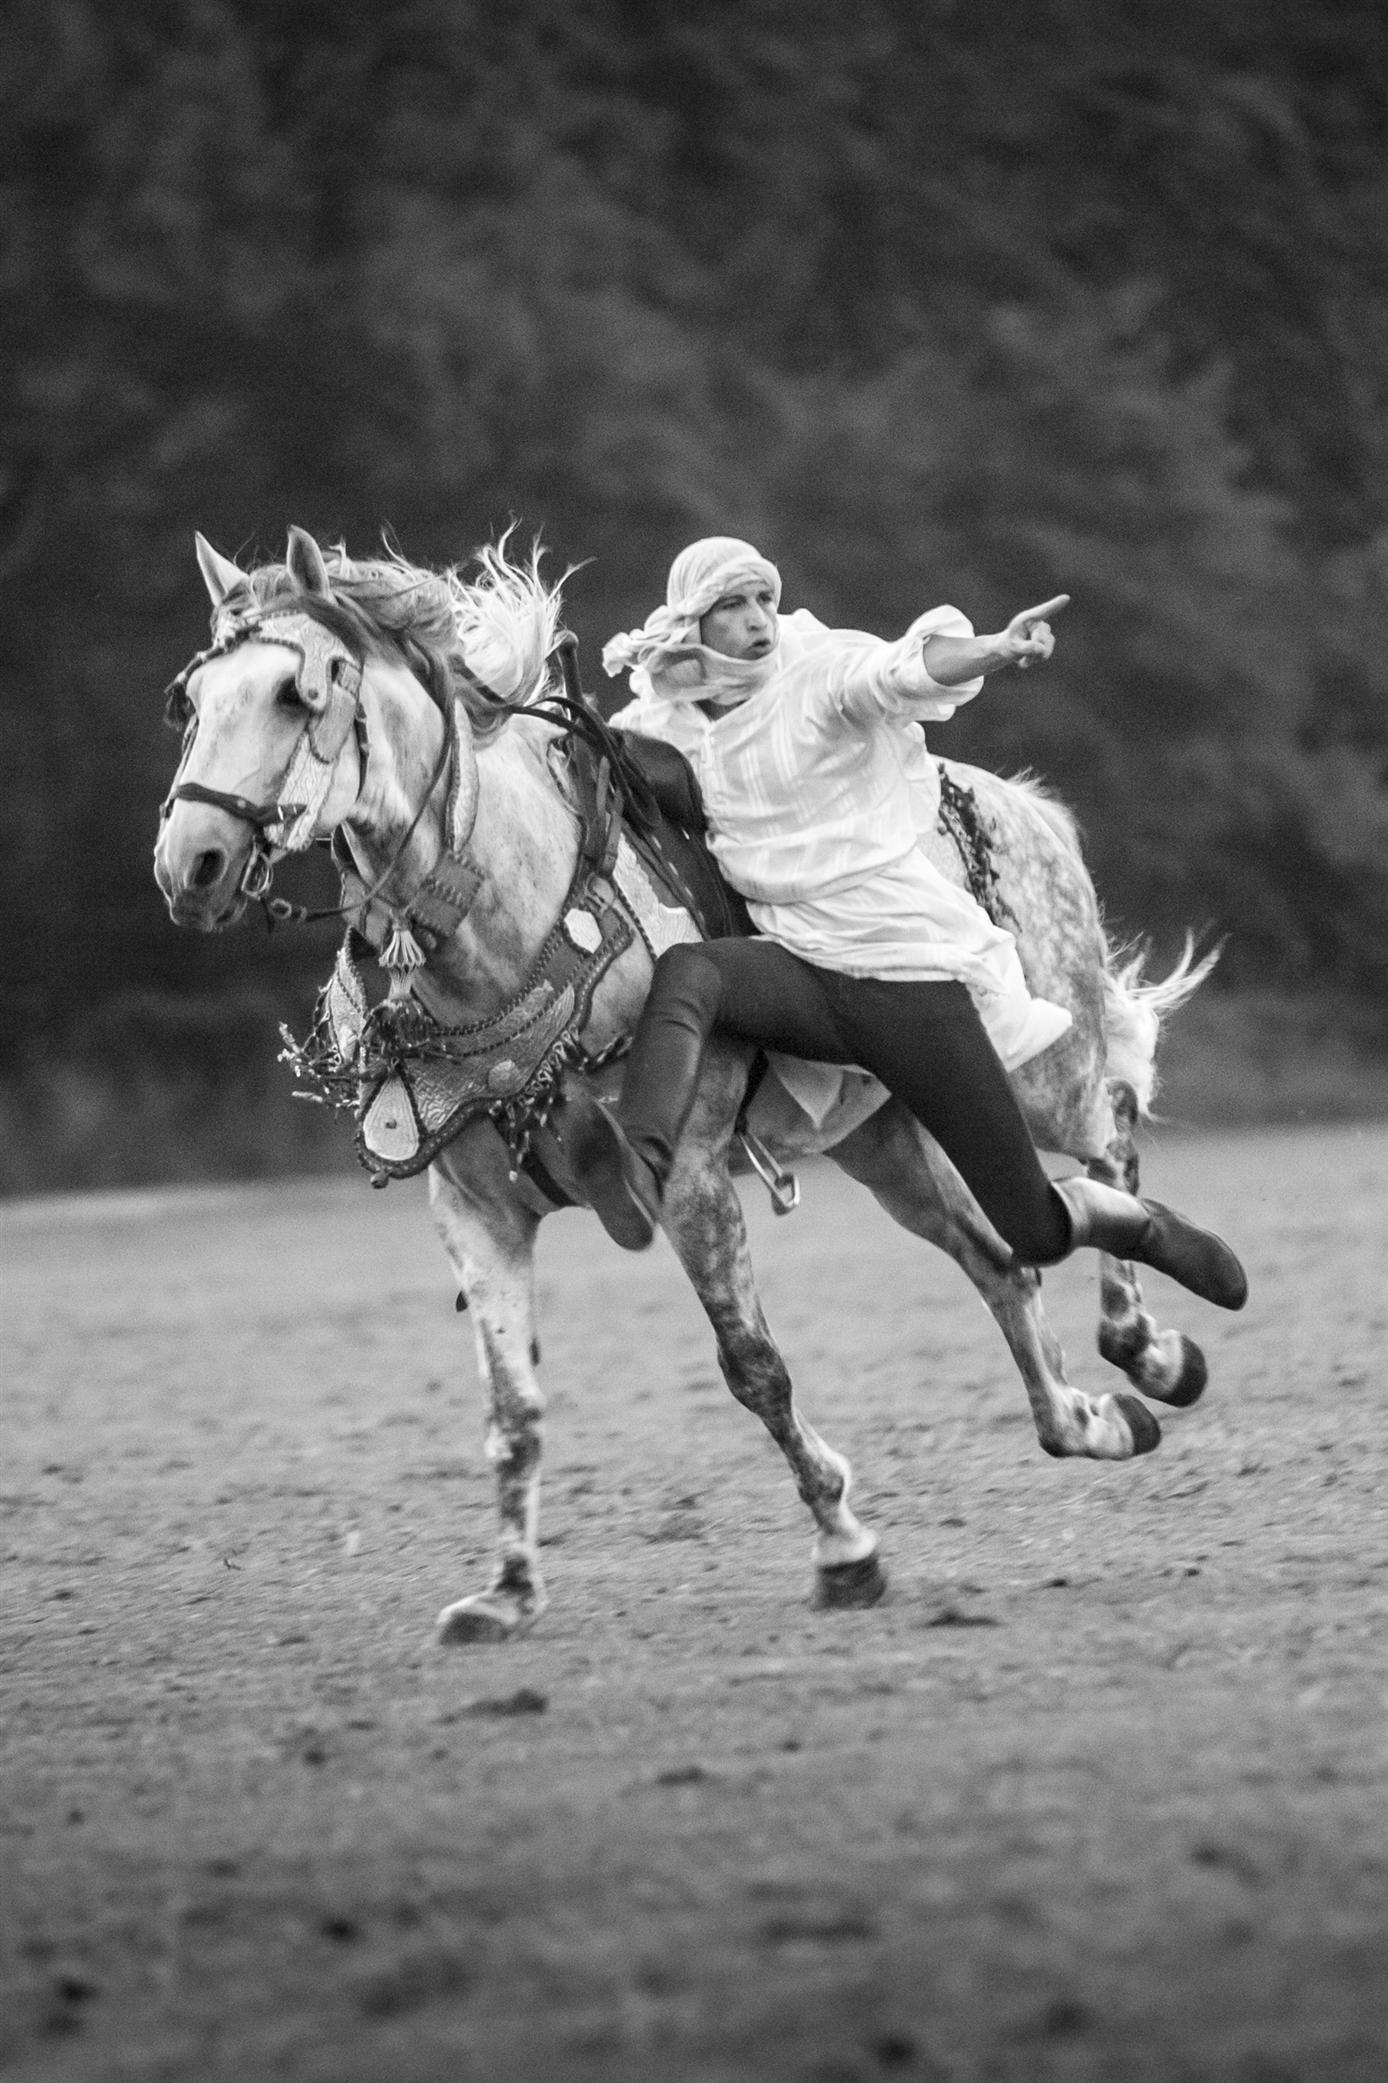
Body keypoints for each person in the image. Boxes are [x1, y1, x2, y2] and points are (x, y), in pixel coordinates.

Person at [572, 536, 1246, 1311]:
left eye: (765, 599)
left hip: (906, 983)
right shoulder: (669, 713)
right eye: (734, 604)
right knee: (691, 971)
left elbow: (905, 668)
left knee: (1032, 1229)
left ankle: (1142, 1226)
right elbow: (604, 760)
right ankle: (640, 1167)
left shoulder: (820, 674)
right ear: (693, 619)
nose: (759, 619)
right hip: (798, 970)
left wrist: (995, 647)